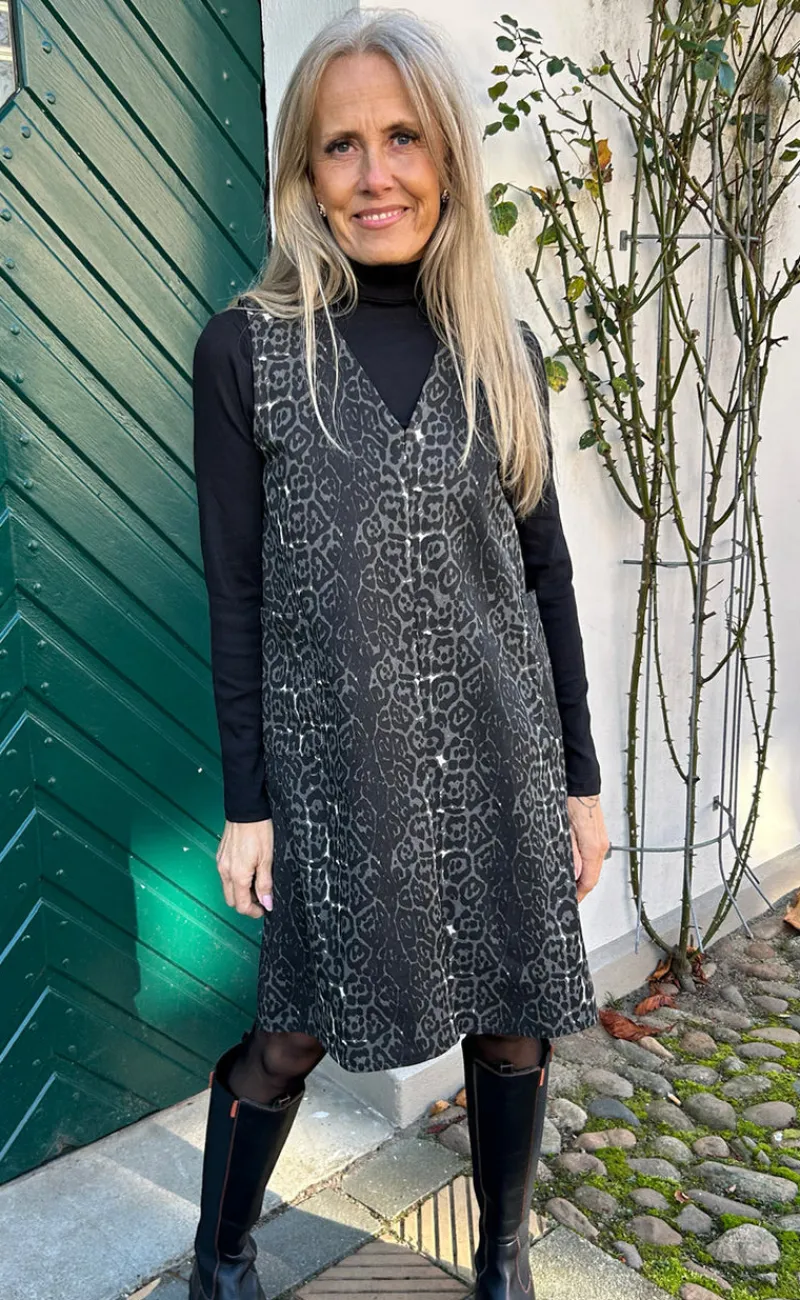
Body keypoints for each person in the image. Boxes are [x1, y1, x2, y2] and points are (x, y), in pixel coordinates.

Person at [189, 8, 610, 1299]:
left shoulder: (500, 351)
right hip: (338, 768)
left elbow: (545, 574)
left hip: (500, 749)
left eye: (403, 138)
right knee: (290, 1036)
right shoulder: (247, 351)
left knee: (513, 1023)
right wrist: (248, 804)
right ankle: (220, 1258)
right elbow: (235, 594)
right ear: (305, 172)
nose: (376, 175)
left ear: (447, 158)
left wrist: (579, 779)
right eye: (342, 146)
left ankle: (502, 1255)